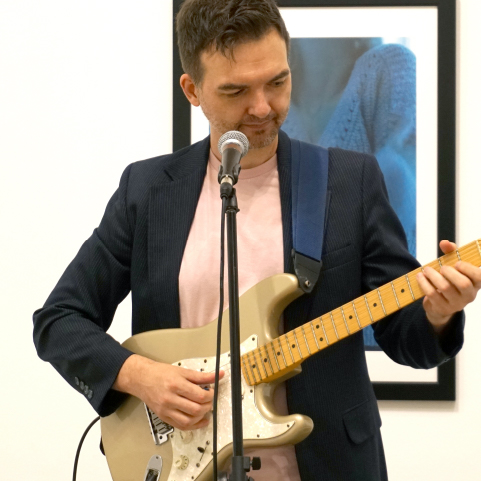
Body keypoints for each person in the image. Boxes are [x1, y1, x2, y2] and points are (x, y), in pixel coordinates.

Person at [32, 1, 480, 480]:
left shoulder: (349, 183)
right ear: (193, 89)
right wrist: (140, 375)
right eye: (235, 90)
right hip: (181, 463)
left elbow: (405, 338)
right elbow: (59, 320)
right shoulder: (146, 192)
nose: (263, 107)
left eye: (278, 82)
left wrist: (437, 314)